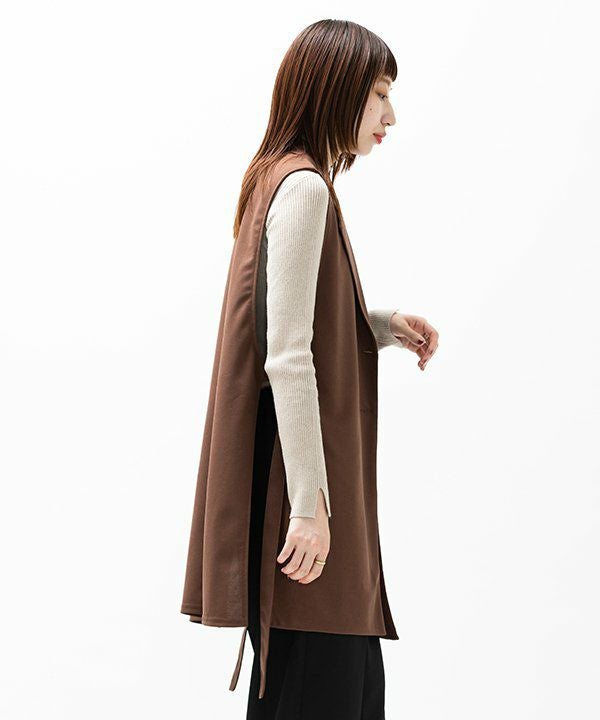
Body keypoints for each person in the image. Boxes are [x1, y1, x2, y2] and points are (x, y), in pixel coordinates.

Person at [180, 18, 438, 720]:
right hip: (301, 502)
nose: (390, 114)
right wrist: (309, 508)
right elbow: (288, 355)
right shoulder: (305, 189)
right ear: (336, 89)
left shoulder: (279, 178)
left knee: (326, 689)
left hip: (296, 493)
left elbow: (289, 324)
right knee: (329, 691)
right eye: (378, 93)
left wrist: (379, 326)